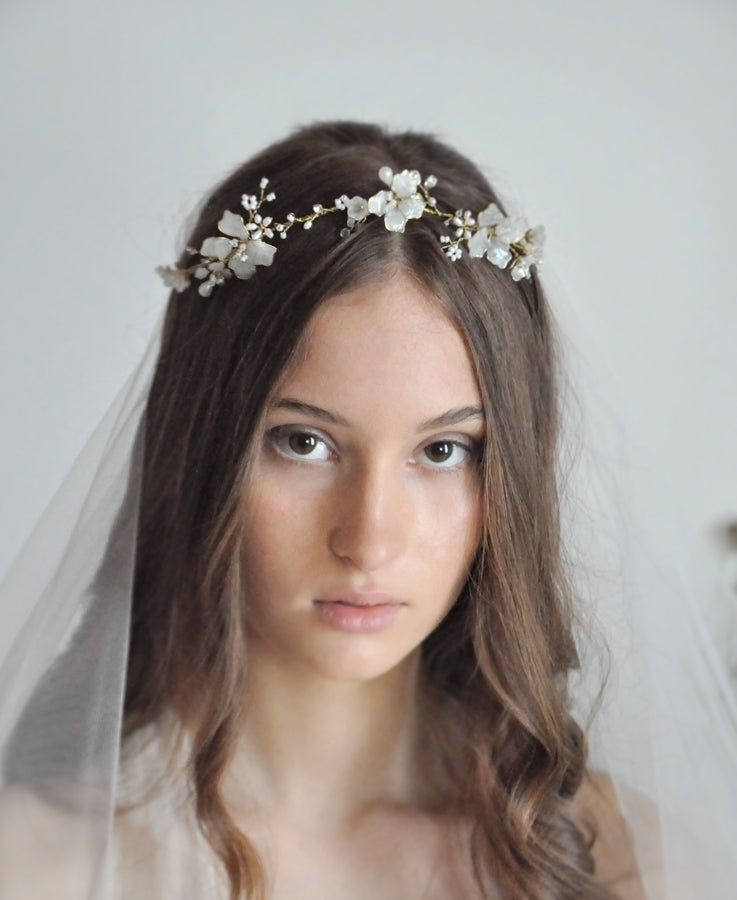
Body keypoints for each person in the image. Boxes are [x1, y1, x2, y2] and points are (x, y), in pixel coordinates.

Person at [0, 121, 733, 899]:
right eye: (303, 442)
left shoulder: (618, 861)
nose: (368, 539)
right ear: (200, 446)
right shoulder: (39, 862)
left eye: (443, 452)